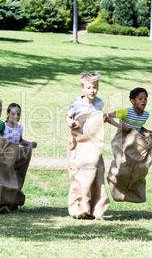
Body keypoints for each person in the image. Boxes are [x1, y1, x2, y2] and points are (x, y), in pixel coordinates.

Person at [65, 71, 110, 220]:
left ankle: (97, 210)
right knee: (80, 174)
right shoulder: (76, 103)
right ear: (83, 88)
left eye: (95, 87)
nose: (93, 90)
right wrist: (69, 122)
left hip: (95, 146)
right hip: (80, 145)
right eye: (90, 87)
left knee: (97, 175)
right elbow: (68, 116)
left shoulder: (99, 103)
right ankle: (80, 209)